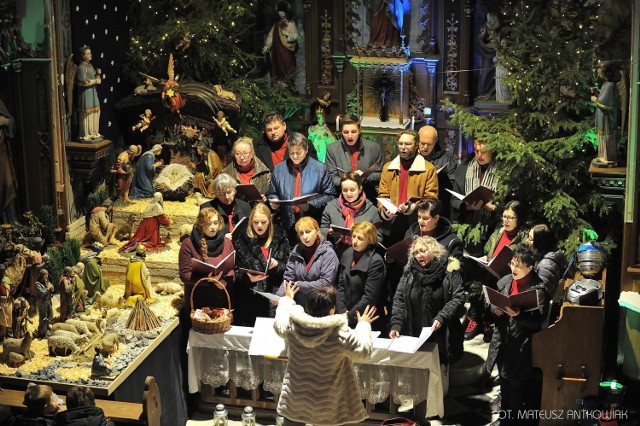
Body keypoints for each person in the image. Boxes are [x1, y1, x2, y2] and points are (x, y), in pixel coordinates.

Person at [274, 282, 378, 426]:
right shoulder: (339, 333)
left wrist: (287, 298)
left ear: (307, 307)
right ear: (332, 310)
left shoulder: (293, 326)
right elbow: (364, 351)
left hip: (296, 397)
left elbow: (279, 323)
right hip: (326, 401)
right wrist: (363, 324)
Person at [388, 236, 464, 393]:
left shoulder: (449, 269)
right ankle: (421, 409)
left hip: (441, 335)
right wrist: (396, 324)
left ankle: (439, 408)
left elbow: (457, 297)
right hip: (416, 332)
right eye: (415, 252)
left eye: (423, 251)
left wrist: (442, 317)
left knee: (439, 377)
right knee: (419, 380)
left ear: (433, 250)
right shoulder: (409, 271)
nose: (419, 255)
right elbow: (399, 300)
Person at [485, 244, 547, 424]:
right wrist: (494, 310)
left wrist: (519, 315)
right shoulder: (505, 281)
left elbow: (538, 323)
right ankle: (505, 418)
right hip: (503, 340)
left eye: (518, 266)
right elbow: (491, 306)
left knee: (516, 387)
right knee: (503, 382)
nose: (513, 269)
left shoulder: (538, 290)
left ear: (529, 267)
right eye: (512, 264)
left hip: (521, 347)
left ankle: (511, 421)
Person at [465, 200, 527, 342]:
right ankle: (479, 320)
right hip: (490, 272)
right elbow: (489, 251)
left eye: (510, 218)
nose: (506, 220)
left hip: (508, 276)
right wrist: (484, 257)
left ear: (519, 219)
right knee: (475, 279)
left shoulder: (523, 238)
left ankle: (491, 324)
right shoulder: (497, 233)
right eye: (504, 216)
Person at [267, 133, 336, 243]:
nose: (294, 156)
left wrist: (310, 205)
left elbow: (330, 196)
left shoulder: (320, 169)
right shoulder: (279, 169)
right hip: (287, 225)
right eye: (291, 153)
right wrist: (273, 200)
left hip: (311, 224)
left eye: (298, 152)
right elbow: (272, 192)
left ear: (306, 149)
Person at [378, 129, 439, 246]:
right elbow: (383, 195)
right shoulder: (388, 168)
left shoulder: (428, 169)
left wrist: (411, 207)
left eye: (407, 144)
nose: (403, 147)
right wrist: (385, 209)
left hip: (415, 222)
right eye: (400, 144)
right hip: (392, 223)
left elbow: (431, 199)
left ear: (416, 146)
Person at [232, 203, 290, 325]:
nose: (259, 226)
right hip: (250, 296)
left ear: (270, 220)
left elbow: (289, 266)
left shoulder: (280, 235)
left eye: (263, 222)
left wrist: (278, 264)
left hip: (273, 295)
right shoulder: (242, 238)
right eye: (255, 222)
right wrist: (248, 278)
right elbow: (235, 270)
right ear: (250, 221)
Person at [178, 208, 235, 312]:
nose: (212, 227)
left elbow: (232, 269)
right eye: (208, 224)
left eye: (215, 223)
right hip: (198, 301)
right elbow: (185, 275)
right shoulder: (189, 244)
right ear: (200, 224)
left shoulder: (227, 242)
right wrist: (207, 280)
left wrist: (225, 281)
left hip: (221, 300)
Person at [276, 217, 339, 307]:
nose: (305, 236)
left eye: (308, 231)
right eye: (301, 233)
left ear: (317, 231)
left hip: (321, 305)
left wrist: (299, 285)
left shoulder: (328, 253)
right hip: (299, 305)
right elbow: (288, 278)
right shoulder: (296, 250)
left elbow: (326, 283)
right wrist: (279, 297)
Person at [451, 139, 499, 255]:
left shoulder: (503, 170)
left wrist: (495, 208)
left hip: (492, 230)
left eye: (483, 151)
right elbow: (453, 200)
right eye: (476, 151)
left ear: (492, 149)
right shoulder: (464, 168)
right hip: (467, 229)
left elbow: (511, 203)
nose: (479, 155)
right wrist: (467, 206)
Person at [336, 221, 386, 330]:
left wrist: (349, 316)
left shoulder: (375, 261)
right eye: (354, 236)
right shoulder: (347, 254)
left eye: (360, 238)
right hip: (345, 315)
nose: (355, 241)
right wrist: (341, 311)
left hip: (367, 318)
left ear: (369, 240)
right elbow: (340, 286)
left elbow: (370, 296)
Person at [320, 172, 381, 259]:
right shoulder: (331, 206)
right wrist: (329, 233)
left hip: (362, 257)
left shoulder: (372, 210)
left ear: (360, 189)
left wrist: (364, 238)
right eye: (345, 190)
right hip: (335, 256)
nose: (348, 194)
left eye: (352, 190)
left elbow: (378, 238)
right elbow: (322, 229)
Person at [324, 114, 383, 201]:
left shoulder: (374, 148)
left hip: (367, 195)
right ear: (341, 132)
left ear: (359, 130)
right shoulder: (332, 149)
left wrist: (364, 176)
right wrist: (347, 182)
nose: (350, 136)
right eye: (346, 132)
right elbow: (331, 178)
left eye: (353, 131)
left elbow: (381, 174)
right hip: (342, 196)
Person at [405, 198, 464, 264]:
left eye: (425, 218)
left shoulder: (451, 241)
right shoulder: (411, 233)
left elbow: (456, 270)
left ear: (436, 218)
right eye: (419, 217)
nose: (420, 221)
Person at [418, 125, 457, 217]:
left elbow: (453, 184)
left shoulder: (446, 159)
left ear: (435, 142)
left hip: (438, 204)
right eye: (422, 143)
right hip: (414, 205)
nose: (425, 147)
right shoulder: (412, 157)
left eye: (429, 144)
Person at [262, 1, 299, 83]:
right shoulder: (276, 24)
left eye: (282, 11)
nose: (281, 13)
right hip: (277, 51)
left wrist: (287, 35)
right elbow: (271, 35)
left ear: (286, 12)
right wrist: (267, 45)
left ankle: (288, 86)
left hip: (287, 51)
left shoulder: (291, 23)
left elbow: (296, 37)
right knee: (277, 69)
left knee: (287, 68)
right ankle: (279, 86)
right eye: (279, 11)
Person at [591, 61, 619, 167]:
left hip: (607, 117)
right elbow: (603, 97)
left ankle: (608, 159)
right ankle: (602, 157)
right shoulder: (606, 84)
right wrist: (597, 92)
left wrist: (594, 99)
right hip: (603, 115)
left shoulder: (610, 86)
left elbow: (604, 102)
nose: (598, 74)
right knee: (602, 137)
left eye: (599, 72)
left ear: (606, 73)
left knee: (607, 137)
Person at [528, 224, 567, 298]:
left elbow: (542, 295)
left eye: (530, 239)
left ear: (539, 243)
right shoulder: (540, 256)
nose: (527, 241)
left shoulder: (546, 266)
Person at [76, 45, 102, 141]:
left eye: (90, 53)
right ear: (83, 56)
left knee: (96, 111)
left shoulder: (90, 66)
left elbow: (95, 78)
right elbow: (83, 82)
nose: (90, 55)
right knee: (87, 114)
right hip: (86, 94)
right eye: (87, 53)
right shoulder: (81, 67)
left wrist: (98, 74)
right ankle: (86, 133)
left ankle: (94, 132)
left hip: (93, 93)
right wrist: (95, 81)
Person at [475, 12, 500, 102]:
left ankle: (491, 94)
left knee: (494, 75)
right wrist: (483, 35)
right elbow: (481, 38)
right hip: (486, 54)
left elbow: (499, 40)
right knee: (484, 74)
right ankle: (482, 93)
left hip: (495, 54)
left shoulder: (498, 28)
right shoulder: (484, 26)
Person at [0, 98, 17, 223]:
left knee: (8, 184)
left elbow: (11, 122)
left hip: (2, 152)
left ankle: (10, 222)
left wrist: (4, 121)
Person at [35, 269, 54, 337]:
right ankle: (42, 332)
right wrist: (48, 288)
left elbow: (51, 288)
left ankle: (47, 327)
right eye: (46, 274)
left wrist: (51, 288)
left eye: (47, 274)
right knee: (43, 317)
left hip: (48, 301)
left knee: (50, 315)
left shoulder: (46, 281)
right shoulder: (37, 284)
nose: (47, 275)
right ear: (42, 275)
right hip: (42, 303)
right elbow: (42, 293)